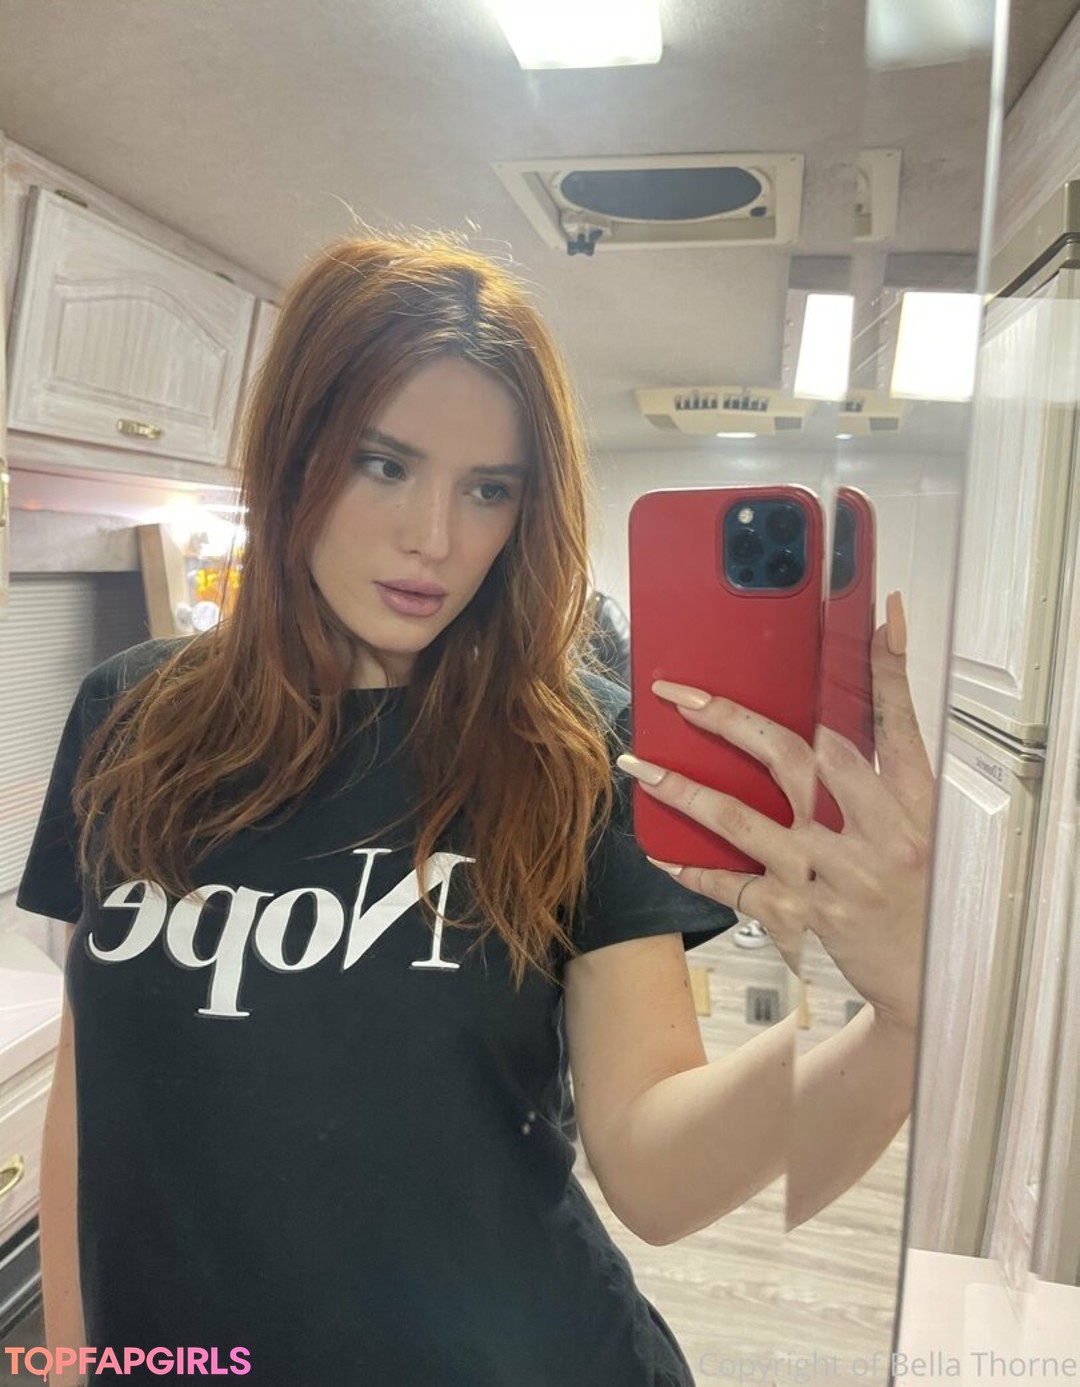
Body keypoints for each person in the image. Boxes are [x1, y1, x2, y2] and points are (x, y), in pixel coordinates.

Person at [19, 236, 931, 1387]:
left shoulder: (575, 753)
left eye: (489, 488)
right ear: (293, 450)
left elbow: (654, 1167)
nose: (437, 540)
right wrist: (73, 1361)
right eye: (383, 464)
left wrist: (902, 1024)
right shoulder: (128, 716)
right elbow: (93, 1085)